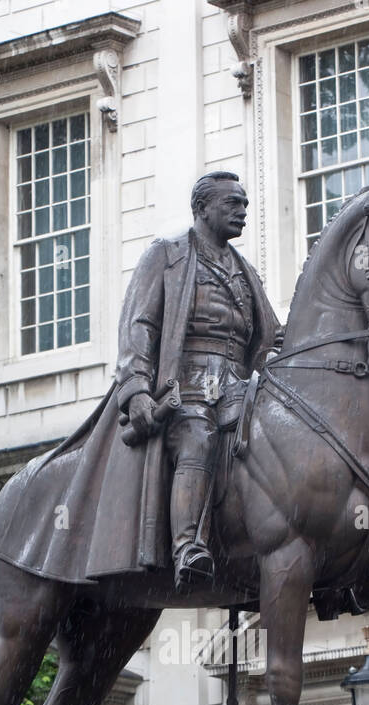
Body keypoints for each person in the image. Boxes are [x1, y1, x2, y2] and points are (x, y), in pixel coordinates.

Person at [114, 170, 281, 590]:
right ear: (202, 209)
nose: (243, 211)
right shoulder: (166, 255)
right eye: (233, 204)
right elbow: (139, 324)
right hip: (186, 385)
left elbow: (271, 336)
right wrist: (136, 390)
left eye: (245, 204)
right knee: (198, 437)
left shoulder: (245, 272)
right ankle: (188, 546)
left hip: (240, 385)